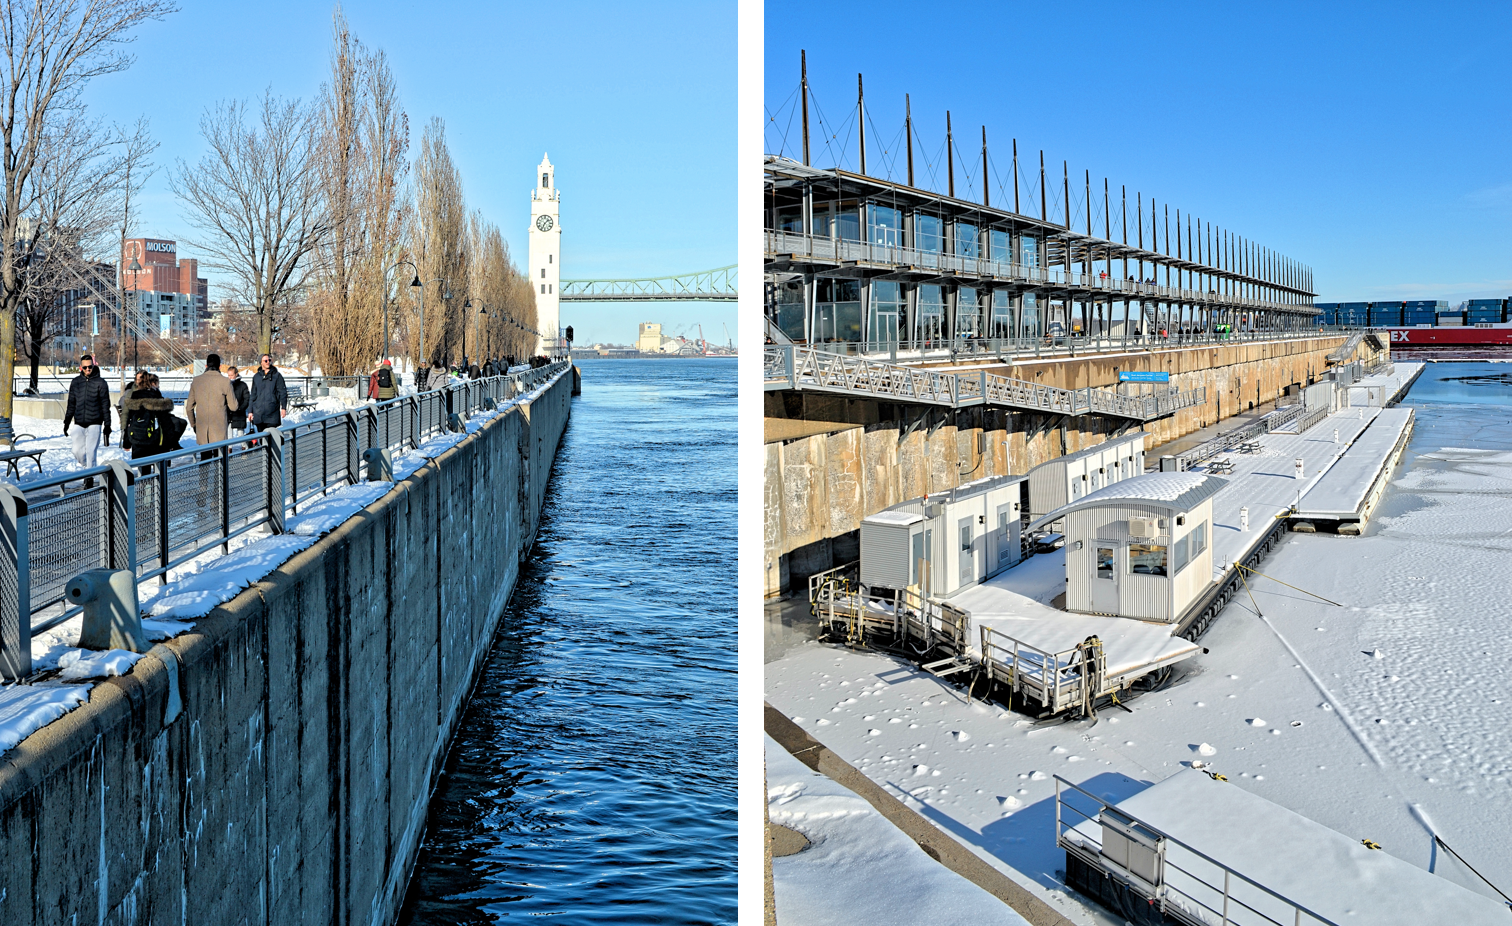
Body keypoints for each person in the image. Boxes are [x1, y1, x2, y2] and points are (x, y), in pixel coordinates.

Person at [63, 354, 111, 475]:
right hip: (79, 421)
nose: (88, 369)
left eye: (90, 367)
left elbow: (105, 405)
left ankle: (89, 476)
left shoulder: (101, 383)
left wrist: (107, 425)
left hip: (95, 421)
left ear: (93, 366)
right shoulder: (75, 382)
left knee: (91, 452)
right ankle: (87, 468)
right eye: (85, 367)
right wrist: (67, 422)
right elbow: (71, 403)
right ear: (81, 367)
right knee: (76, 451)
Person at [185, 352, 240, 451]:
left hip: (202, 428)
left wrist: (194, 425)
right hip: (219, 428)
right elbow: (234, 406)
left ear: (206, 366)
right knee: (220, 461)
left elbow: (189, 407)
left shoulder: (196, 381)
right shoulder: (225, 381)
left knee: (204, 460)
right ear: (220, 366)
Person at [121, 374, 176, 470]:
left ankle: (145, 485)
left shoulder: (134, 398)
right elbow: (166, 422)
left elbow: (129, 421)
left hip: (138, 440)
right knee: (158, 471)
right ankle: (157, 485)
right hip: (155, 441)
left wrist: (126, 442)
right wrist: (172, 442)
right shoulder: (157, 398)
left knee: (143, 471)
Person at [248, 353, 288, 431]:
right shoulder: (256, 377)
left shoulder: (277, 376)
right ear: (261, 362)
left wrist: (283, 407)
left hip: (272, 412)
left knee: (271, 437)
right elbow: (253, 395)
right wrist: (250, 411)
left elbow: (282, 392)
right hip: (259, 412)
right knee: (262, 438)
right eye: (265, 360)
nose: (268, 362)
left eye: (269, 360)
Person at [225, 365, 251, 436]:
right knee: (229, 431)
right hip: (229, 412)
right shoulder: (226, 385)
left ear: (236, 374)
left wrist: (241, 408)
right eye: (228, 375)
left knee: (240, 432)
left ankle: (243, 445)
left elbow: (247, 398)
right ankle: (229, 446)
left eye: (231, 375)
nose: (230, 377)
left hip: (239, 412)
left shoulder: (242, 385)